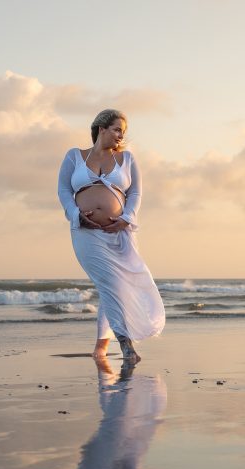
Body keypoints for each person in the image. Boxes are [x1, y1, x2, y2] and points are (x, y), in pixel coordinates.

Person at [57, 109, 165, 363]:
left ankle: (101, 347)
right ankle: (126, 345)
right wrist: (75, 214)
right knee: (110, 284)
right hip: (86, 233)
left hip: (120, 234)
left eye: (123, 132)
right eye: (116, 129)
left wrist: (126, 219)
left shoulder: (127, 159)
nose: (120, 135)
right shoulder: (75, 156)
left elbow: (135, 193)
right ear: (101, 128)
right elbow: (63, 189)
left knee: (115, 286)